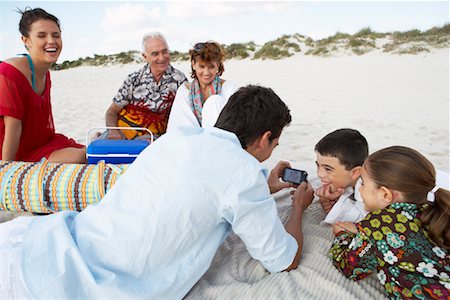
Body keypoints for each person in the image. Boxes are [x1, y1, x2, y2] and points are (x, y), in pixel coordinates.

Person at [0, 85, 314, 299]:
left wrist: (267, 183)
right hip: (60, 286)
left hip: (38, 242)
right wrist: (298, 206)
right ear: (265, 137)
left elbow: (208, 183)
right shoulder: (243, 175)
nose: (272, 151)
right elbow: (282, 259)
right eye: (274, 143)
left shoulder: (179, 138)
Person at [330, 146, 450, 299]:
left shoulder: (378, 224)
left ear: (385, 194)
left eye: (363, 184)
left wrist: (341, 236)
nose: (360, 190)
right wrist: (364, 233)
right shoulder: (436, 210)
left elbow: (350, 267)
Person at [0, 8, 85, 163]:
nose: (51, 40)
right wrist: (7, 171)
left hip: (41, 143)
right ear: (26, 40)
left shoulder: (45, 72)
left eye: (56, 35)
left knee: (91, 150)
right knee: (83, 156)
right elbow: (12, 128)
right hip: (14, 151)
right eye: (41, 35)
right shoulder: (10, 73)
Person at [104, 32, 186, 140]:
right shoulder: (133, 79)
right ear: (145, 56)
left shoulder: (179, 80)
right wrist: (113, 131)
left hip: (152, 137)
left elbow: (185, 114)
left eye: (164, 52)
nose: (161, 58)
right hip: (122, 130)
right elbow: (112, 111)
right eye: (155, 54)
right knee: (96, 146)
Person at [167, 41, 239, 130]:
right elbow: (178, 125)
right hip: (194, 139)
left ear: (218, 66)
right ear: (194, 65)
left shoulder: (230, 88)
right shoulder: (185, 91)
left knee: (214, 101)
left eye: (211, 67)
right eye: (202, 66)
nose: (206, 72)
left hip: (222, 139)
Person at [313, 128, 369, 223]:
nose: (319, 174)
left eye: (328, 169)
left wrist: (339, 202)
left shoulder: (368, 189)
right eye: (318, 165)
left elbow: (363, 218)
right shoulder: (341, 180)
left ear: (355, 172)